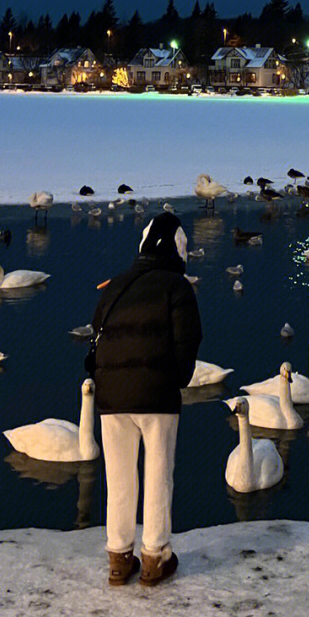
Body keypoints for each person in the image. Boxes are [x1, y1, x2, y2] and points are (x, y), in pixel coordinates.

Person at [91, 211, 203, 586]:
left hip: (110, 398)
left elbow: (97, 335)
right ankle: (155, 557)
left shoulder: (115, 286)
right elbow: (188, 342)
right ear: (178, 247)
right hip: (156, 395)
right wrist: (176, 380)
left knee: (119, 478)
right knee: (158, 473)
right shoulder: (177, 287)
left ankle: (119, 559)